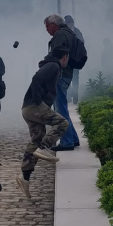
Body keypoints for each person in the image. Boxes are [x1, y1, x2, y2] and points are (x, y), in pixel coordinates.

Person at [16, 47, 70, 199]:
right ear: (64, 57)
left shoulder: (50, 64)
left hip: (27, 108)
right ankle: (45, 147)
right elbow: (36, 79)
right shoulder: (53, 66)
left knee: (36, 139)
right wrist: (39, 101)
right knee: (62, 123)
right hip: (34, 106)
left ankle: (24, 177)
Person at [45, 14, 80, 151]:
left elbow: (58, 55)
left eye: (47, 26)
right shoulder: (68, 33)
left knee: (60, 111)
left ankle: (66, 141)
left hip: (60, 75)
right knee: (62, 108)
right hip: (66, 74)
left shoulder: (60, 35)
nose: (46, 29)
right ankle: (73, 138)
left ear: (54, 24)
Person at [64, 16, 85, 104]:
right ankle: (68, 97)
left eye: (71, 23)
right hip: (66, 60)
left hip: (75, 60)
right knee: (67, 78)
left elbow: (82, 43)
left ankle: (75, 98)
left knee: (75, 79)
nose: (70, 25)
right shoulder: (63, 32)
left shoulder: (77, 32)